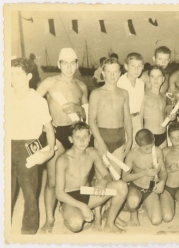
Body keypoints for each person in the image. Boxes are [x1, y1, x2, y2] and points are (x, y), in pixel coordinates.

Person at [37, 47, 88, 233]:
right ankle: (49, 219)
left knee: (77, 178)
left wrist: (77, 107)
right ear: (59, 64)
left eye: (72, 63)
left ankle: (68, 206)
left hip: (76, 134)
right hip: (56, 133)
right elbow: (32, 104)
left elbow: (85, 114)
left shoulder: (81, 86)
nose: (68, 67)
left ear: (76, 64)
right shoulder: (49, 83)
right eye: (64, 63)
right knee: (51, 181)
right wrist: (43, 125)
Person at [55, 122, 128, 233]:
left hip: (87, 193)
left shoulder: (92, 153)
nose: (82, 141)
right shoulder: (63, 160)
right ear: (71, 139)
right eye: (78, 137)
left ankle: (109, 224)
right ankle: (66, 211)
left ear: (89, 138)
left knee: (122, 186)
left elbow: (107, 175)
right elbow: (59, 194)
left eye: (85, 137)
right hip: (69, 198)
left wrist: (102, 182)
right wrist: (83, 206)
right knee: (76, 224)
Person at [10, 58, 55, 234]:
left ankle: (28, 230)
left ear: (29, 76)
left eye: (18, 74)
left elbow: (49, 129)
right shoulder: (4, 95)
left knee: (29, 192)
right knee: (6, 189)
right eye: (11, 73)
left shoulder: (38, 100)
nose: (14, 78)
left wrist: (50, 150)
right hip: (7, 144)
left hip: (29, 145)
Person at [89, 57, 133, 176]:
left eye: (115, 72)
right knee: (102, 177)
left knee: (117, 176)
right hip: (102, 137)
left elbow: (127, 119)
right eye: (109, 72)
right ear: (103, 73)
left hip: (119, 138)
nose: (112, 75)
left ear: (120, 73)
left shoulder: (124, 93)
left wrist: (130, 140)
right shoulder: (96, 93)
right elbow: (91, 121)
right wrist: (100, 142)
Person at [123, 129, 167, 226]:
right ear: (138, 145)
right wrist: (143, 173)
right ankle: (133, 215)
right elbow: (125, 177)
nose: (150, 150)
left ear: (154, 140)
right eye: (146, 148)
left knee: (157, 221)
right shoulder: (132, 154)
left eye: (151, 147)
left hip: (151, 188)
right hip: (136, 187)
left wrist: (162, 182)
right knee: (133, 202)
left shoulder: (158, 151)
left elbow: (163, 171)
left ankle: (146, 204)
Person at [140, 65, 175, 148]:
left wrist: (170, 117)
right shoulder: (144, 95)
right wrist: (141, 137)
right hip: (149, 136)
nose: (156, 79)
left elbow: (164, 115)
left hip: (163, 135)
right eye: (153, 76)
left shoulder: (164, 96)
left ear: (163, 79)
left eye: (159, 76)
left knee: (162, 160)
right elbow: (139, 118)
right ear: (149, 79)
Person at [117, 53, 145, 149]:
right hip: (124, 120)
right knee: (125, 146)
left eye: (139, 66)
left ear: (143, 67)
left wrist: (140, 123)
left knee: (137, 147)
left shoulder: (141, 83)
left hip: (137, 119)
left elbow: (141, 105)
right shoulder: (120, 82)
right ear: (126, 66)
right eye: (133, 66)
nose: (136, 69)